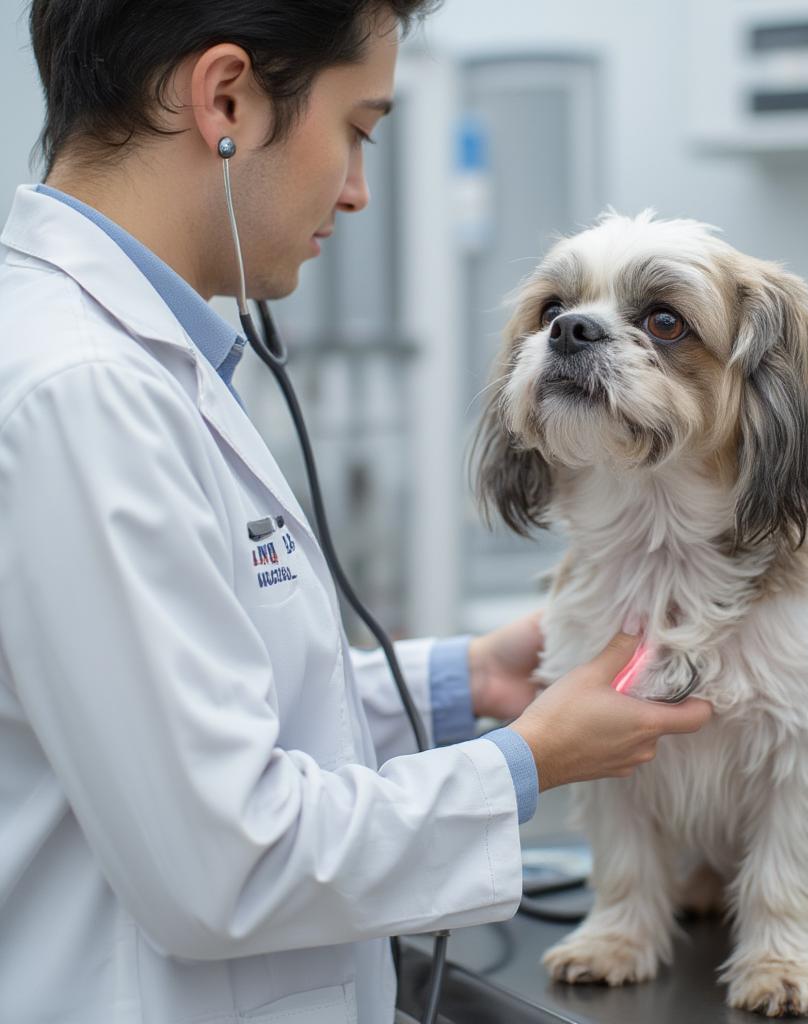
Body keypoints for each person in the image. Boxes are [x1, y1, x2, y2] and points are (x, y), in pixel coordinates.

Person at [0, 2, 713, 1021]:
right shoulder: (84, 392)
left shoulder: (125, 365)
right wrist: (530, 760)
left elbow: (204, 717)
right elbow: (227, 862)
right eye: (359, 129)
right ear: (226, 97)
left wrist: (468, 678)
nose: (358, 191)